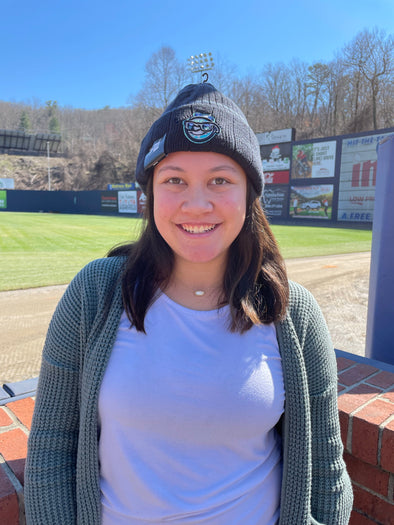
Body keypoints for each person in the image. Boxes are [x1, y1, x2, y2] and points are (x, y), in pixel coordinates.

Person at [25, 83, 353, 525]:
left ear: (249, 195)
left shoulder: (295, 314)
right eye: (174, 179)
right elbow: (50, 449)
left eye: (220, 179)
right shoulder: (94, 294)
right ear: (151, 194)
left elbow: (326, 469)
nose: (196, 204)